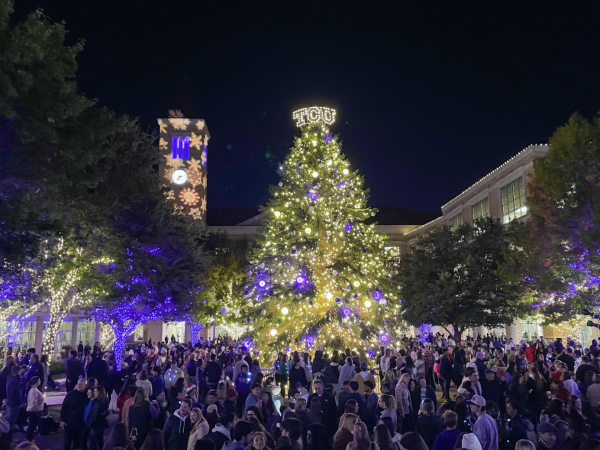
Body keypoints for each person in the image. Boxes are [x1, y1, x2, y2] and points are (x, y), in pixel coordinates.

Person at [61, 377, 89, 450]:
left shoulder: (87, 396)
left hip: (81, 423)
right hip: (69, 422)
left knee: (77, 442)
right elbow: (64, 407)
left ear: (85, 385)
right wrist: (62, 420)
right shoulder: (71, 394)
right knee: (67, 442)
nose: (79, 386)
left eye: (81, 384)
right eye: (78, 384)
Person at [86, 386, 110, 450]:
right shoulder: (104, 399)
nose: (94, 393)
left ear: (100, 392)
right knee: (100, 440)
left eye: (96, 391)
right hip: (100, 424)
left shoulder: (98, 403)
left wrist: (89, 423)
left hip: (95, 425)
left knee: (93, 443)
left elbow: (94, 416)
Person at [26, 376, 44, 441]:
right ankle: (29, 439)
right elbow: (34, 402)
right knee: (32, 426)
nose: (40, 381)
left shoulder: (34, 390)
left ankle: (30, 438)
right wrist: (37, 410)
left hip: (33, 411)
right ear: (36, 382)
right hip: (34, 411)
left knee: (32, 426)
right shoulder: (33, 391)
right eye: (39, 380)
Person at [6, 365, 23, 432]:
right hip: (13, 403)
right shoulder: (14, 381)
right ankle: (8, 432)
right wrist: (19, 401)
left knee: (11, 417)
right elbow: (14, 393)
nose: (21, 372)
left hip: (11, 402)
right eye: (20, 370)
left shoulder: (11, 379)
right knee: (12, 417)